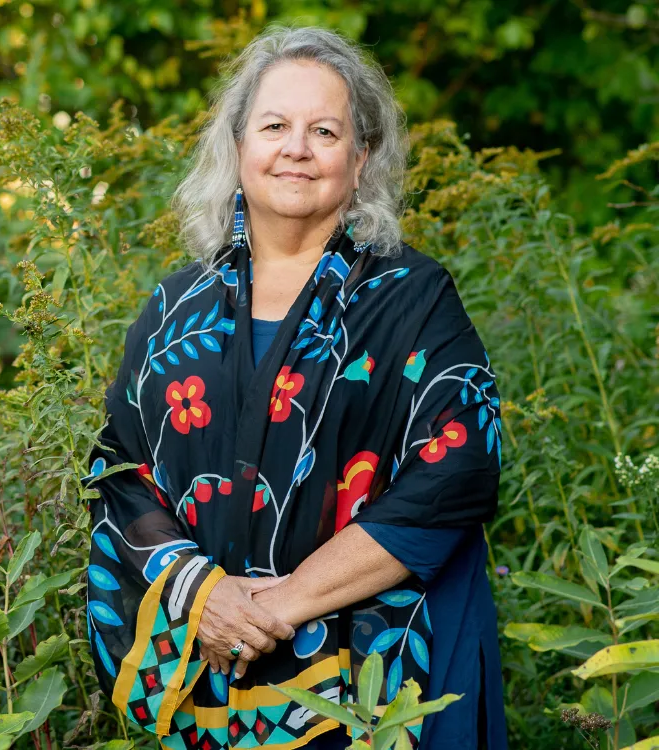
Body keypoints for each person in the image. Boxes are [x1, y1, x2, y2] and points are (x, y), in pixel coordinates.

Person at [84, 25, 507, 750]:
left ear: (361, 155)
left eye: (325, 130)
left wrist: (276, 607)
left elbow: (458, 469)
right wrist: (204, 594)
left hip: (381, 680)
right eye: (275, 126)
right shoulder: (174, 308)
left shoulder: (412, 296)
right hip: (210, 660)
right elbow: (119, 472)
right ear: (238, 144)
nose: (297, 149)